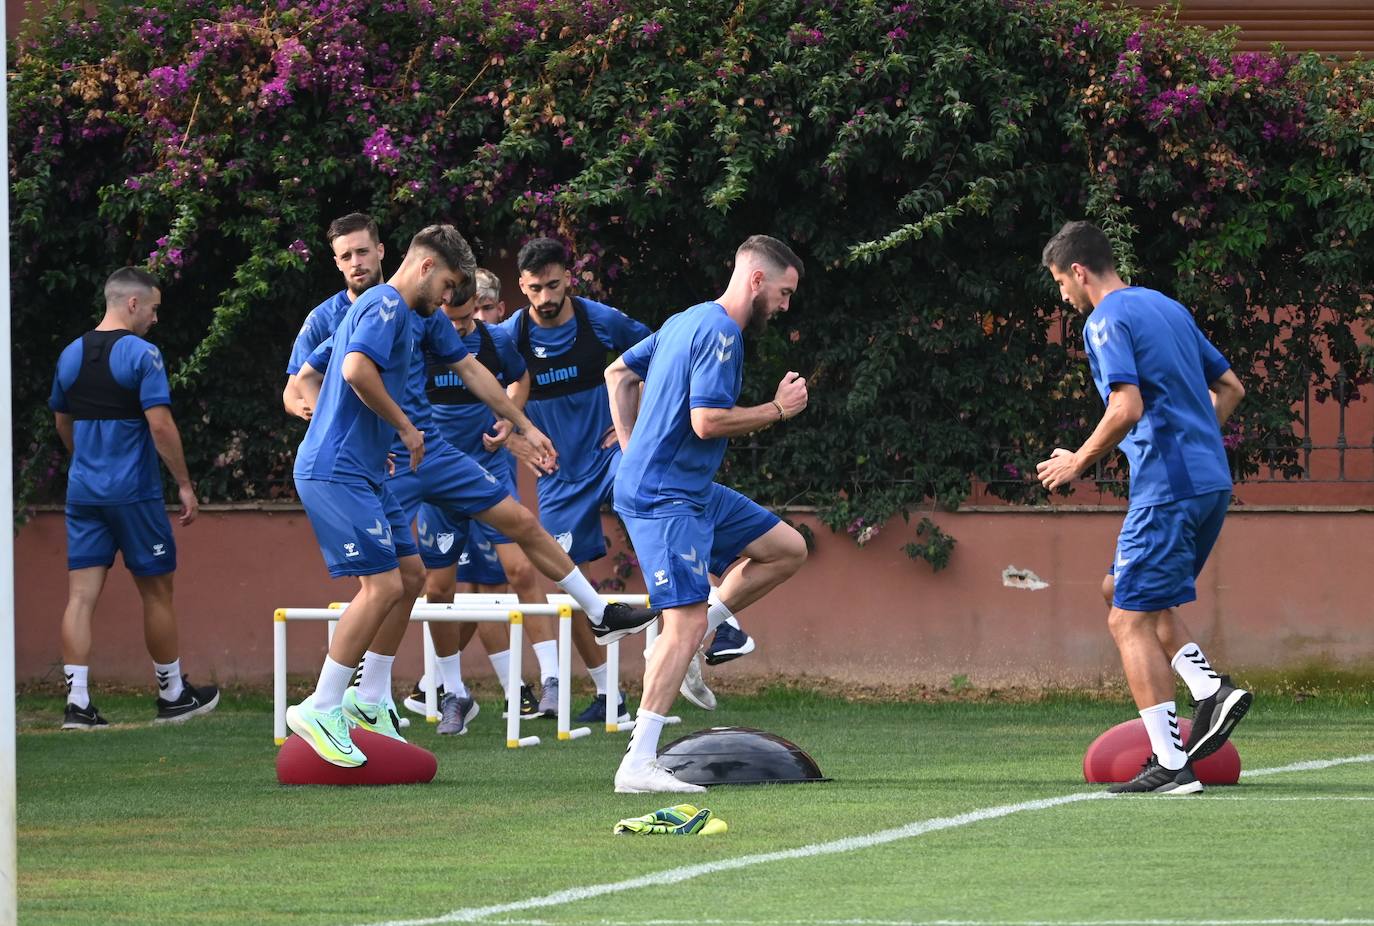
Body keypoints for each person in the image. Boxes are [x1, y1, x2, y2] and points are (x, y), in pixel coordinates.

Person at [290, 226, 659, 766]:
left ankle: (596, 611)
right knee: (388, 584)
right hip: (369, 463)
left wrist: (522, 426)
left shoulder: (423, 318)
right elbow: (343, 369)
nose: (449, 301)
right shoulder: (381, 306)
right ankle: (322, 705)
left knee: (446, 560)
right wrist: (392, 426)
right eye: (447, 285)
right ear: (424, 267)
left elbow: (472, 370)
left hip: (426, 455)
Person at [1036, 220, 1252, 795]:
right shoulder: (1168, 308)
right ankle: (1208, 689)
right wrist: (1195, 442)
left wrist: (1077, 461)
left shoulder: (1105, 320)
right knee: (1122, 590)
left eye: (1060, 283)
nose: (1063, 296)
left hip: (1168, 490)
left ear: (1078, 272)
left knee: (1125, 619)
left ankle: (1171, 765)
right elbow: (1231, 388)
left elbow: (1126, 406)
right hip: (1209, 484)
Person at [605, 235, 811, 792]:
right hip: (664, 496)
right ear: (758, 280)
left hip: (689, 488)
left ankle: (704, 633)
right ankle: (638, 764)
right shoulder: (720, 331)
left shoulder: (684, 320)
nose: (787, 306)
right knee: (684, 618)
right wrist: (777, 410)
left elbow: (618, 374)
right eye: (785, 293)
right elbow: (707, 421)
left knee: (787, 549)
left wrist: (632, 446)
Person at [49, 267, 219, 729]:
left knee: (80, 597)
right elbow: (160, 425)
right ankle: (172, 694)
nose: (155, 318)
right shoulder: (143, 355)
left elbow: (62, 421)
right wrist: (184, 484)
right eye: (154, 309)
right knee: (157, 592)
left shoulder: (69, 355)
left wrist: (84, 462)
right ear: (131, 304)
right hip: (134, 494)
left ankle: (78, 705)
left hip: (83, 493)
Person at [412, 276, 557, 734]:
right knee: (438, 590)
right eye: (446, 319)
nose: (454, 329)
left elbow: (520, 379)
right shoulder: (420, 340)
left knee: (519, 569)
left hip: (485, 467)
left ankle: (552, 679)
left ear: (479, 306)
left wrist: (506, 420)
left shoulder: (495, 341)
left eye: (463, 318)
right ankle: (453, 692)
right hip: (435, 474)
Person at [282, 213, 385, 420]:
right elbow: (291, 394)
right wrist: (307, 408)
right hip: (349, 443)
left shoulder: (408, 307)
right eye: (346, 256)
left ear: (380, 251)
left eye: (362, 252)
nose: (356, 262)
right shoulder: (322, 318)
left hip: (413, 439)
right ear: (337, 263)